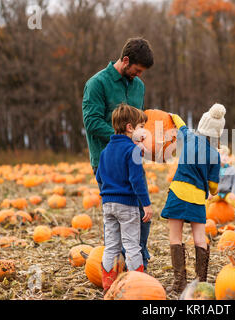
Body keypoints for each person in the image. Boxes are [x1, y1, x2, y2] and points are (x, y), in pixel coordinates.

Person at [82, 37, 154, 270]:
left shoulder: (138, 87)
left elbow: (139, 122)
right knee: (117, 217)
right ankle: (121, 268)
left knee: (142, 215)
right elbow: (91, 122)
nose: (139, 75)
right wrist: (124, 138)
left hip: (132, 161)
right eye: (137, 70)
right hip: (107, 162)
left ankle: (136, 261)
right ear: (125, 61)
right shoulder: (97, 84)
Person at [160, 103, 226, 293]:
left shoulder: (189, 138)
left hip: (178, 193)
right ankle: (200, 284)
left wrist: (171, 114)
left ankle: (179, 282)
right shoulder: (215, 154)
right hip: (197, 199)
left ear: (203, 124)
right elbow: (213, 189)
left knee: (175, 236)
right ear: (217, 133)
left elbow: (180, 124)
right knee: (199, 238)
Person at [96, 104, 154, 293]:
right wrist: (146, 204)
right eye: (140, 127)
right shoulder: (133, 151)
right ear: (130, 128)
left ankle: (108, 286)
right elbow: (137, 180)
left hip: (108, 204)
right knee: (131, 245)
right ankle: (135, 285)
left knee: (111, 246)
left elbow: (99, 177)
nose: (143, 131)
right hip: (127, 205)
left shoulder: (105, 151)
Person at [206, 145, 235, 225]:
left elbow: (234, 182)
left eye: (227, 155)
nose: (225, 157)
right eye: (222, 155)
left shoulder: (231, 169)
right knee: (206, 201)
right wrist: (210, 192)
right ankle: (203, 218)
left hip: (227, 193)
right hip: (216, 193)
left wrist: (233, 193)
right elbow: (210, 182)